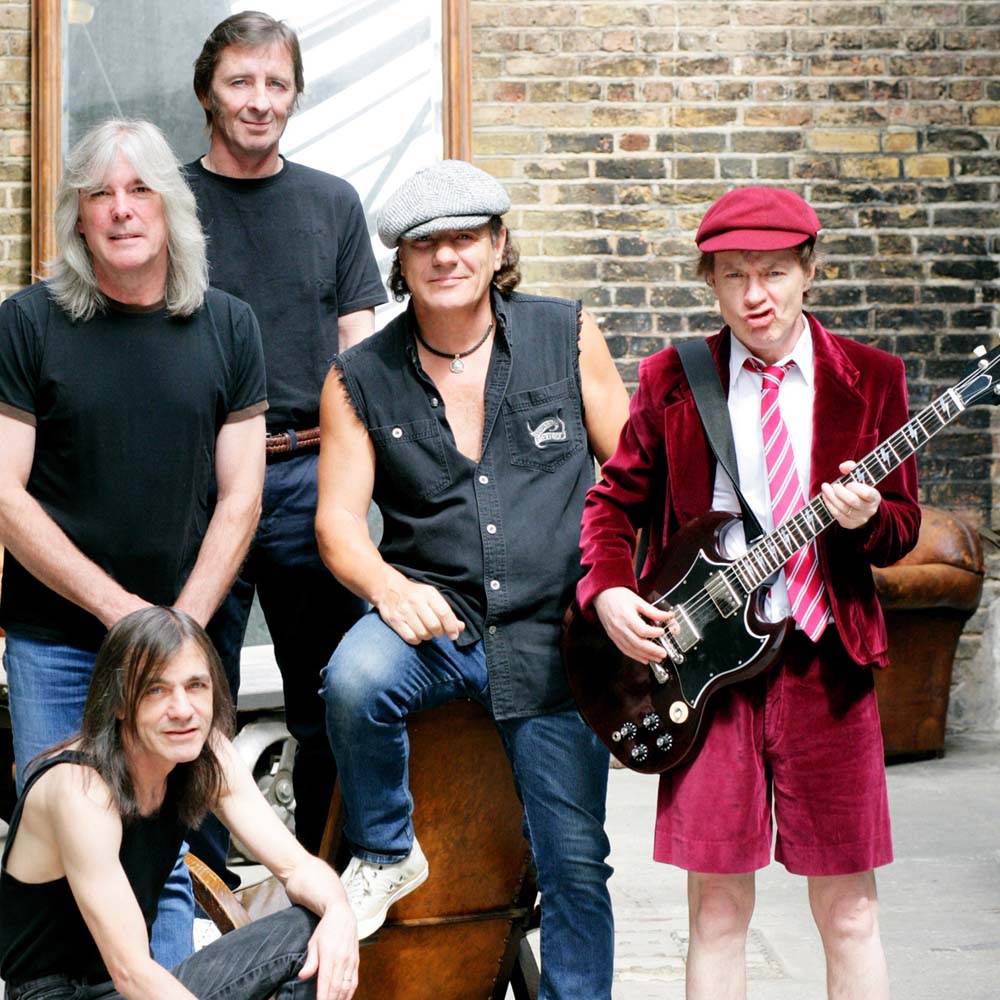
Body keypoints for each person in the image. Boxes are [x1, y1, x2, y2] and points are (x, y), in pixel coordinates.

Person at [576, 186, 921, 999]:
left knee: (849, 910)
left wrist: (868, 518)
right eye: (734, 275)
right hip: (708, 674)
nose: (755, 295)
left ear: (810, 270)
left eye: (773, 273)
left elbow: (901, 527)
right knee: (718, 910)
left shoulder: (872, 378)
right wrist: (608, 590)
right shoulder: (673, 378)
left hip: (828, 667)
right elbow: (612, 505)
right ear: (711, 281)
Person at [315, 159, 630, 999]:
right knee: (354, 679)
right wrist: (388, 588)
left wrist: (616, 589)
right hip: (439, 620)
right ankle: (386, 849)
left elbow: (635, 477)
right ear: (402, 260)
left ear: (498, 246)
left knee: (575, 864)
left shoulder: (567, 334)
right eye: (426, 244)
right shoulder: (357, 377)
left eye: (465, 238)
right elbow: (338, 524)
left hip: (557, 634)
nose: (446, 256)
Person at [0, 118, 266, 967]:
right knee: (62, 849)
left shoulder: (229, 326)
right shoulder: (27, 324)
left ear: (172, 207)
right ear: (78, 216)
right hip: (56, 643)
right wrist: (126, 616)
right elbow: (3, 493)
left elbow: (242, 497)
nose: (121, 209)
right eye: (100, 194)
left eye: (141, 189)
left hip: (176, 646)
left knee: (163, 857)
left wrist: (175, 633)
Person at [186, 11, 388, 858]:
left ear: (296, 94)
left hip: (309, 473)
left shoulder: (331, 202)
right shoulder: (166, 204)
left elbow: (358, 350)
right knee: (192, 689)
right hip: (200, 482)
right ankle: (196, 887)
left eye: (277, 83)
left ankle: (327, 880)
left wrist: (355, 476)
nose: (259, 100)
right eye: (241, 81)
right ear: (207, 91)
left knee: (332, 694)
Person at [0, 605, 358, 1000]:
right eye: (156, 690)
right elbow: (132, 973)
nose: (183, 710)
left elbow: (297, 867)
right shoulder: (82, 790)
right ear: (119, 703)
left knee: (313, 928)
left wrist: (339, 912)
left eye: (196, 686)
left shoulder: (205, 754)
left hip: (132, 984)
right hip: (60, 993)